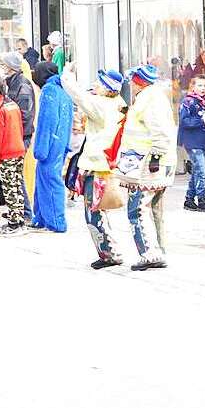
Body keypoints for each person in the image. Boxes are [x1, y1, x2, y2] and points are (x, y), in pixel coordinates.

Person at [60, 67, 126, 267]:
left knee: (93, 212)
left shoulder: (101, 106)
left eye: (99, 83)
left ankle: (109, 253)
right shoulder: (119, 104)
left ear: (107, 88)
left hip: (97, 165)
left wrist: (67, 75)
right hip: (105, 163)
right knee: (98, 210)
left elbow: (78, 96)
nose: (94, 85)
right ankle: (109, 250)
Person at [117, 65, 178, 270]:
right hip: (154, 162)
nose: (131, 85)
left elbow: (159, 130)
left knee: (137, 208)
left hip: (149, 164)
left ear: (138, 81)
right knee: (154, 210)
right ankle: (159, 249)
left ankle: (150, 254)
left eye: (133, 81)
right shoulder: (152, 96)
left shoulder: (150, 99)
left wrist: (156, 156)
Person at [31, 61, 72, 233]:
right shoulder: (63, 90)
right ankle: (40, 217)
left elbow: (46, 121)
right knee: (44, 180)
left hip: (50, 144)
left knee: (49, 180)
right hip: (60, 142)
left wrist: (40, 148)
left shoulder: (49, 91)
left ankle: (56, 221)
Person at [0, 51, 36, 222]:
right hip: (16, 136)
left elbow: (25, 116)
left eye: (3, 65)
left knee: (15, 176)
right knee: (14, 176)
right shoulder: (13, 83)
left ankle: (24, 213)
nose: (1, 68)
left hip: (19, 136)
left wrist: (18, 137)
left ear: (10, 67)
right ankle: (22, 212)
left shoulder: (22, 86)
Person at [0, 77, 27, 234]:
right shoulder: (13, 106)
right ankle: (19, 218)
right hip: (19, 149)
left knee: (9, 188)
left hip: (7, 153)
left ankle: (14, 223)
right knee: (17, 185)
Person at [179, 75, 205, 212]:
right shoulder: (188, 102)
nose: (203, 88)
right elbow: (184, 122)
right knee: (201, 171)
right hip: (192, 141)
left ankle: (189, 200)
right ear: (193, 87)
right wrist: (202, 122)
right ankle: (202, 199)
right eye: (200, 85)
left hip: (203, 140)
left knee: (196, 171)